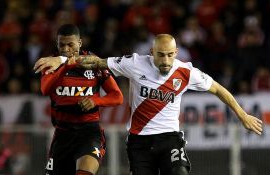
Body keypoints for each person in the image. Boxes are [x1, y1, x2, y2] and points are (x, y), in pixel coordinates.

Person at [34, 34, 263, 175]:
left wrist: (242, 115)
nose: (165, 61)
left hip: (169, 137)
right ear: (152, 52)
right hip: (139, 142)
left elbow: (219, 90)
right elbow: (95, 62)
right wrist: (63, 60)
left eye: (170, 55)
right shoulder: (135, 63)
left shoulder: (186, 72)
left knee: (179, 172)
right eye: (161, 55)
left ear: (176, 53)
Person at [37, 24, 123, 175]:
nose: (66, 49)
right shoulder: (52, 63)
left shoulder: (93, 62)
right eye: (61, 45)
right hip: (62, 134)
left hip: (89, 132)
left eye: (70, 44)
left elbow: (117, 96)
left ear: (80, 43)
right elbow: (45, 89)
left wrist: (95, 101)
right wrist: (65, 63)